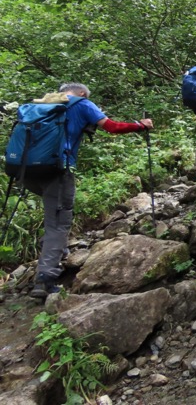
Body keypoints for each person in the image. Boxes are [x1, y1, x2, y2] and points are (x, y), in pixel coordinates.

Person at [22, 83, 154, 298]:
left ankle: (57, 250)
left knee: (53, 212)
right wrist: (140, 125)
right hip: (56, 169)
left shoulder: (44, 104)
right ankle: (44, 279)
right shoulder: (82, 104)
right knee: (58, 222)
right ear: (82, 92)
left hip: (25, 170)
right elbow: (110, 126)